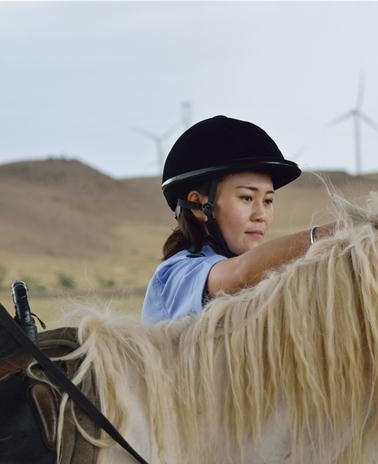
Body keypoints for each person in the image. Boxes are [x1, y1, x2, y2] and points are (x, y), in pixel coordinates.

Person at [142, 115, 334, 325]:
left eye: (268, 200)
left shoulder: (254, 277)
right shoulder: (176, 274)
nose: (260, 214)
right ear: (198, 205)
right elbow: (240, 273)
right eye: (246, 198)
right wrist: (329, 235)